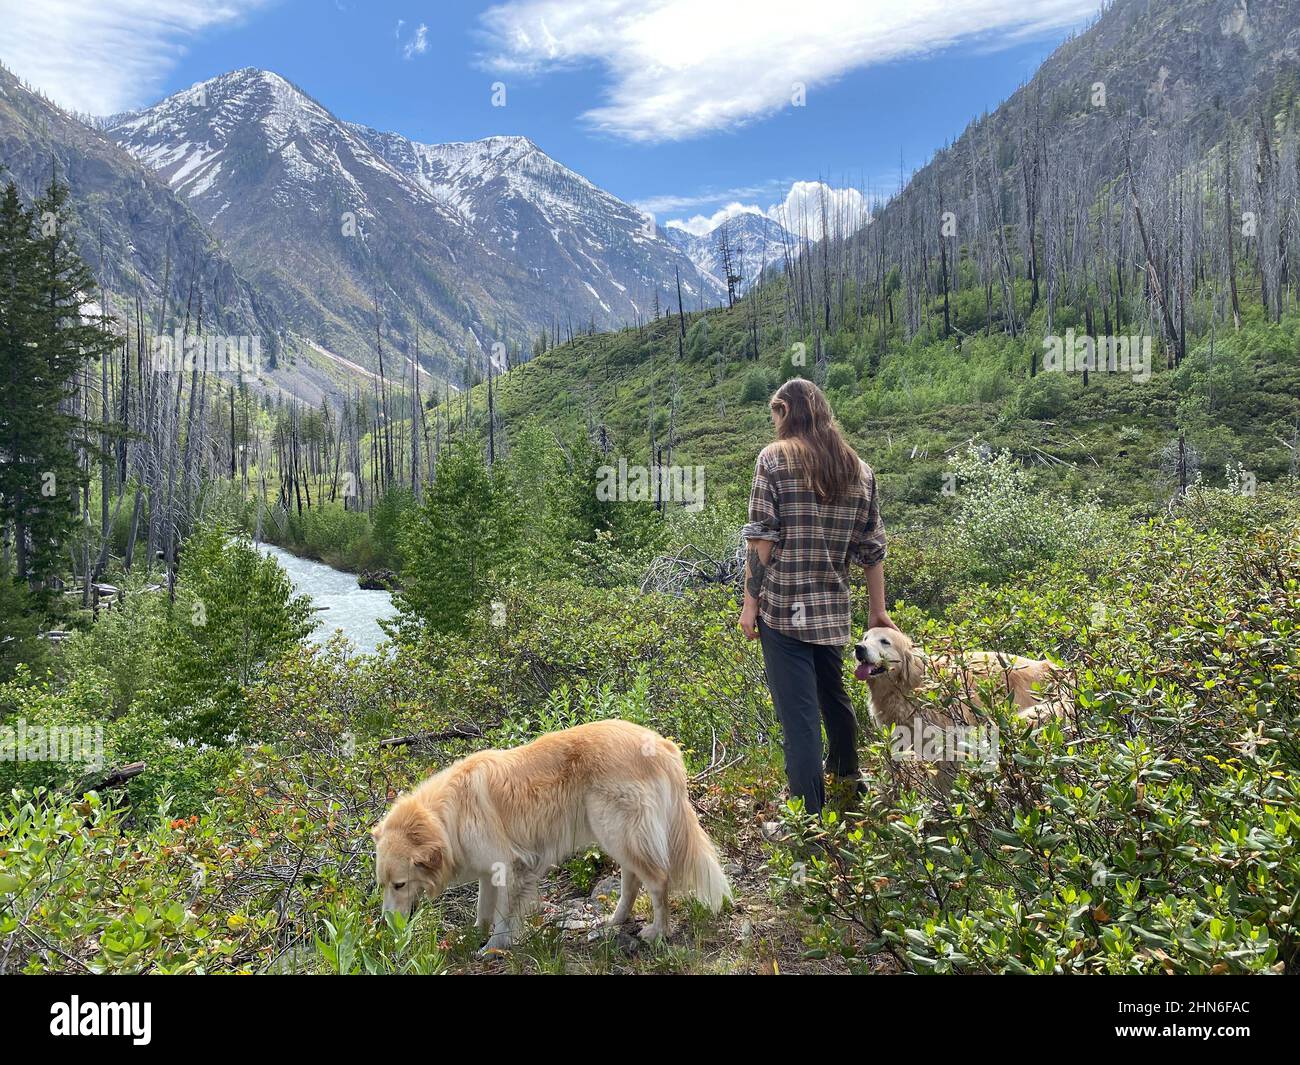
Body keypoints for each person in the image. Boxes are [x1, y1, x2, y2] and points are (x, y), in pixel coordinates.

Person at [739, 378, 897, 815]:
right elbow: (872, 549)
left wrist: (751, 605)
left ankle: (807, 820)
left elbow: (762, 542)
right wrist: (878, 610)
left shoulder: (772, 460)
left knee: (800, 719)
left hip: (785, 611)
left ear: (786, 412)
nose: (773, 426)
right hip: (832, 611)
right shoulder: (858, 469)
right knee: (836, 701)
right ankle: (849, 785)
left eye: (775, 416)